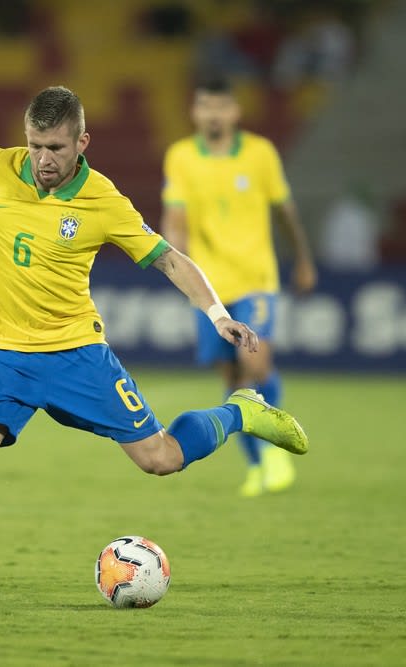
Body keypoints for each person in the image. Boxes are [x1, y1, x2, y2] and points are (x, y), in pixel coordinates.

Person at [0, 85, 309, 610]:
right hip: (2, 352)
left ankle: (239, 413)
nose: (42, 158)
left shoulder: (104, 201)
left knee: (160, 459)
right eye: (35, 144)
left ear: (82, 141)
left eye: (56, 148)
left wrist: (219, 315)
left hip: (75, 353)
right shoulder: (0, 167)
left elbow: (169, 259)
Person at [160, 76, 317, 497]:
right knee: (231, 378)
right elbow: (174, 216)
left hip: (255, 279)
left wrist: (302, 258)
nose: (213, 114)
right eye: (205, 106)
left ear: (235, 111)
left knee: (256, 365)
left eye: (221, 106)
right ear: (195, 111)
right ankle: (255, 465)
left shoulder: (259, 154)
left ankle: (278, 451)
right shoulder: (181, 157)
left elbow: (285, 210)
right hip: (211, 287)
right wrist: (174, 256)